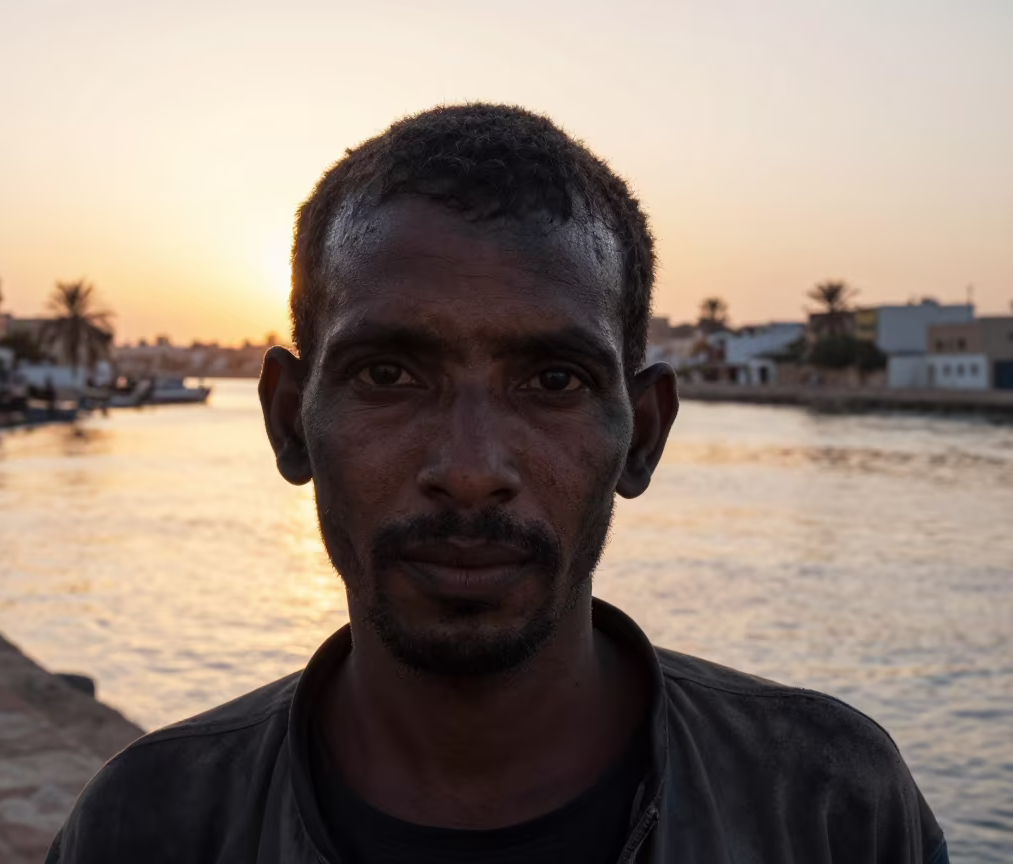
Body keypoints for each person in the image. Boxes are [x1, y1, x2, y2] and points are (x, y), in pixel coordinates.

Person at [47, 105, 947, 863]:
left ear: (643, 437)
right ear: (290, 421)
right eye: (390, 376)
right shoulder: (151, 824)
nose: (471, 470)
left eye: (553, 381)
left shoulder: (827, 806)